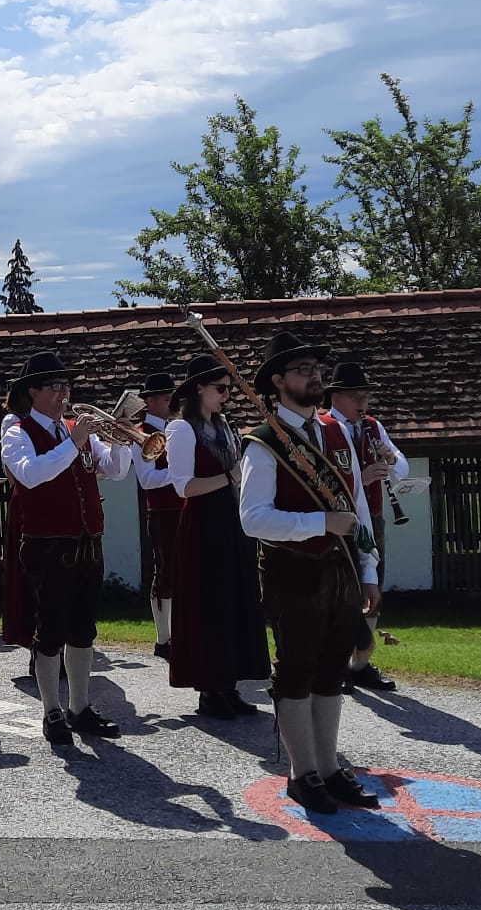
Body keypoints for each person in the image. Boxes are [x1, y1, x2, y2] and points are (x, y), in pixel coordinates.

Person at [238, 332, 380, 817]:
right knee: (296, 673)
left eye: (318, 369)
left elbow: (357, 507)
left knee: (332, 672)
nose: (315, 376)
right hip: (292, 570)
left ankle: (330, 767)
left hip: (342, 570)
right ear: (278, 381)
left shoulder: (339, 433)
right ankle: (303, 774)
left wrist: (368, 568)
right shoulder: (263, 443)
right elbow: (253, 519)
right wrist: (320, 523)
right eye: (303, 370)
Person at [0, 350, 133, 745]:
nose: (64, 393)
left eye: (66, 386)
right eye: (55, 386)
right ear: (33, 392)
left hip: (87, 542)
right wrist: (73, 442)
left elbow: (116, 471)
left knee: (83, 630)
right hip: (48, 545)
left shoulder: (79, 430)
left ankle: (80, 707)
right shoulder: (18, 432)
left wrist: (123, 440)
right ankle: (51, 711)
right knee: (50, 631)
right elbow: (30, 475)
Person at [165, 356, 271, 720]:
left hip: (231, 521)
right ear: (199, 389)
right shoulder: (181, 430)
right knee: (209, 606)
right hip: (203, 526)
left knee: (235, 601)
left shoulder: (224, 425)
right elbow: (184, 487)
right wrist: (230, 476)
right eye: (221, 389)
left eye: (228, 389)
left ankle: (229, 684)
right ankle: (210, 689)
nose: (227, 396)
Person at [322, 361, 410, 694]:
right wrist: (362, 474)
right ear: (336, 396)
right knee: (341, 592)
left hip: (372, 517)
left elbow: (402, 466)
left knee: (373, 590)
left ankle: (360, 663)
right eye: (356, 396)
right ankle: (337, 663)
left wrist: (390, 459)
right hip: (339, 521)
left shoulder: (372, 426)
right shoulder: (323, 426)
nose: (363, 403)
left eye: (365, 396)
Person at [129, 371, 181, 659]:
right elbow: (147, 479)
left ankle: (181, 633)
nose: (171, 402)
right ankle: (164, 639)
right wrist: (181, 473)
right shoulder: (141, 432)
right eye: (165, 397)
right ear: (149, 401)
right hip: (162, 511)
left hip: (184, 507)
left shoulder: (178, 428)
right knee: (165, 572)